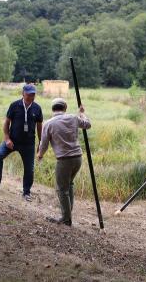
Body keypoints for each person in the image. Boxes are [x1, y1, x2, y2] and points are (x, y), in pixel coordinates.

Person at [0, 84, 43, 201]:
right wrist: (7, 139)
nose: (31, 96)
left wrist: (40, 143)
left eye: (33, 94)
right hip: (12, 141)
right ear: (23, 93)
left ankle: (26, 192)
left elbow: (40, 127)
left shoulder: (37, 108)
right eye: (29, 94)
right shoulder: (14, 105)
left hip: (28, 144)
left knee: (29, 169)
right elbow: (6, 123)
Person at [37, 97, 91, 226]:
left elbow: (43, 144)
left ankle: (66, 219)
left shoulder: (48, 123)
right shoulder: (73, 118)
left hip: (64, 160)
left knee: (62, 189)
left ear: (52, 109)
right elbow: (87, 124)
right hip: (78, 158)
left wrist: (40, 155)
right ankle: (68, 214)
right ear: (65, 108)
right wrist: (82, 113)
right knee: (69, 185)